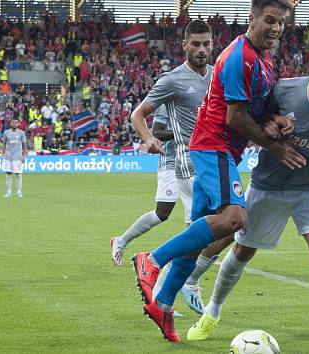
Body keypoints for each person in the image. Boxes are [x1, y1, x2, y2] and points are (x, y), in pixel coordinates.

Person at [131, 0, 304, 343]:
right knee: (236, 218)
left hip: (221, 148)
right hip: (214, 146)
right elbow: (235, 117)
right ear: (253, 19)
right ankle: (151, 259)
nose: (276, 28)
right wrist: (275, 147)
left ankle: (163, 304)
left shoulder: (263, 59)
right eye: (270, 20)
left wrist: (278, 121)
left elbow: (256, 110)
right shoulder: (241, 57)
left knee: (200, 236)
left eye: (281, 23)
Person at [187, 42, 309, 348]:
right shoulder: (284, 91)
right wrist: (269, 126)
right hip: (267, 185)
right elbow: (250, 117)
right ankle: (211, 314)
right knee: (243, 251)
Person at [121, 20, 219, 342]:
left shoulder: (215, 75)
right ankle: (158, 270)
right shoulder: (173, 79)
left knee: (211, 233)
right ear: (185, 45)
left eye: (207, 44)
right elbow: (138, 114)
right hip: (188, 166)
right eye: (196, 44)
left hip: (213, 163)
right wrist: (148, 138)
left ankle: (162, 297)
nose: (202, 50)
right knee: (223, 226)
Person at [1, 118, 27, 198]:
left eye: (16, 123)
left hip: (18, 157)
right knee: (8, 174)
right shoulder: (6, 133)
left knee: (18, 174)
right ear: (11, 123)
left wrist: (24, 156)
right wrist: (3, 154)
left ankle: (19, 192)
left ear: (18, 124)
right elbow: (4, 144)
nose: (15, 124)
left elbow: (24, 145)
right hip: (8, 157)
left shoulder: (21, 133)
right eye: (13, 122)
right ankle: (8, 192)